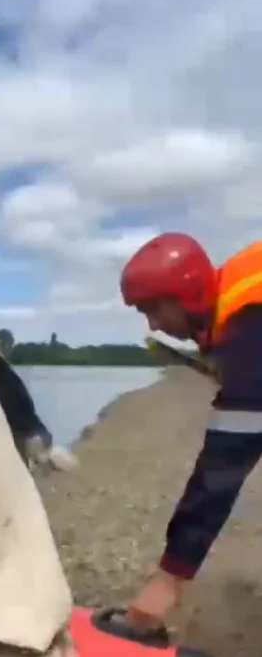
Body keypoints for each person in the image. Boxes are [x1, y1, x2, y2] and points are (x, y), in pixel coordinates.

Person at [119, 232, 262, 630]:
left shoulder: (250, 319)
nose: (154, 325)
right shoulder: (238, 301)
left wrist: (171, 576)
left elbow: (223, 464)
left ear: (189, 294)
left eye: (155, 309)